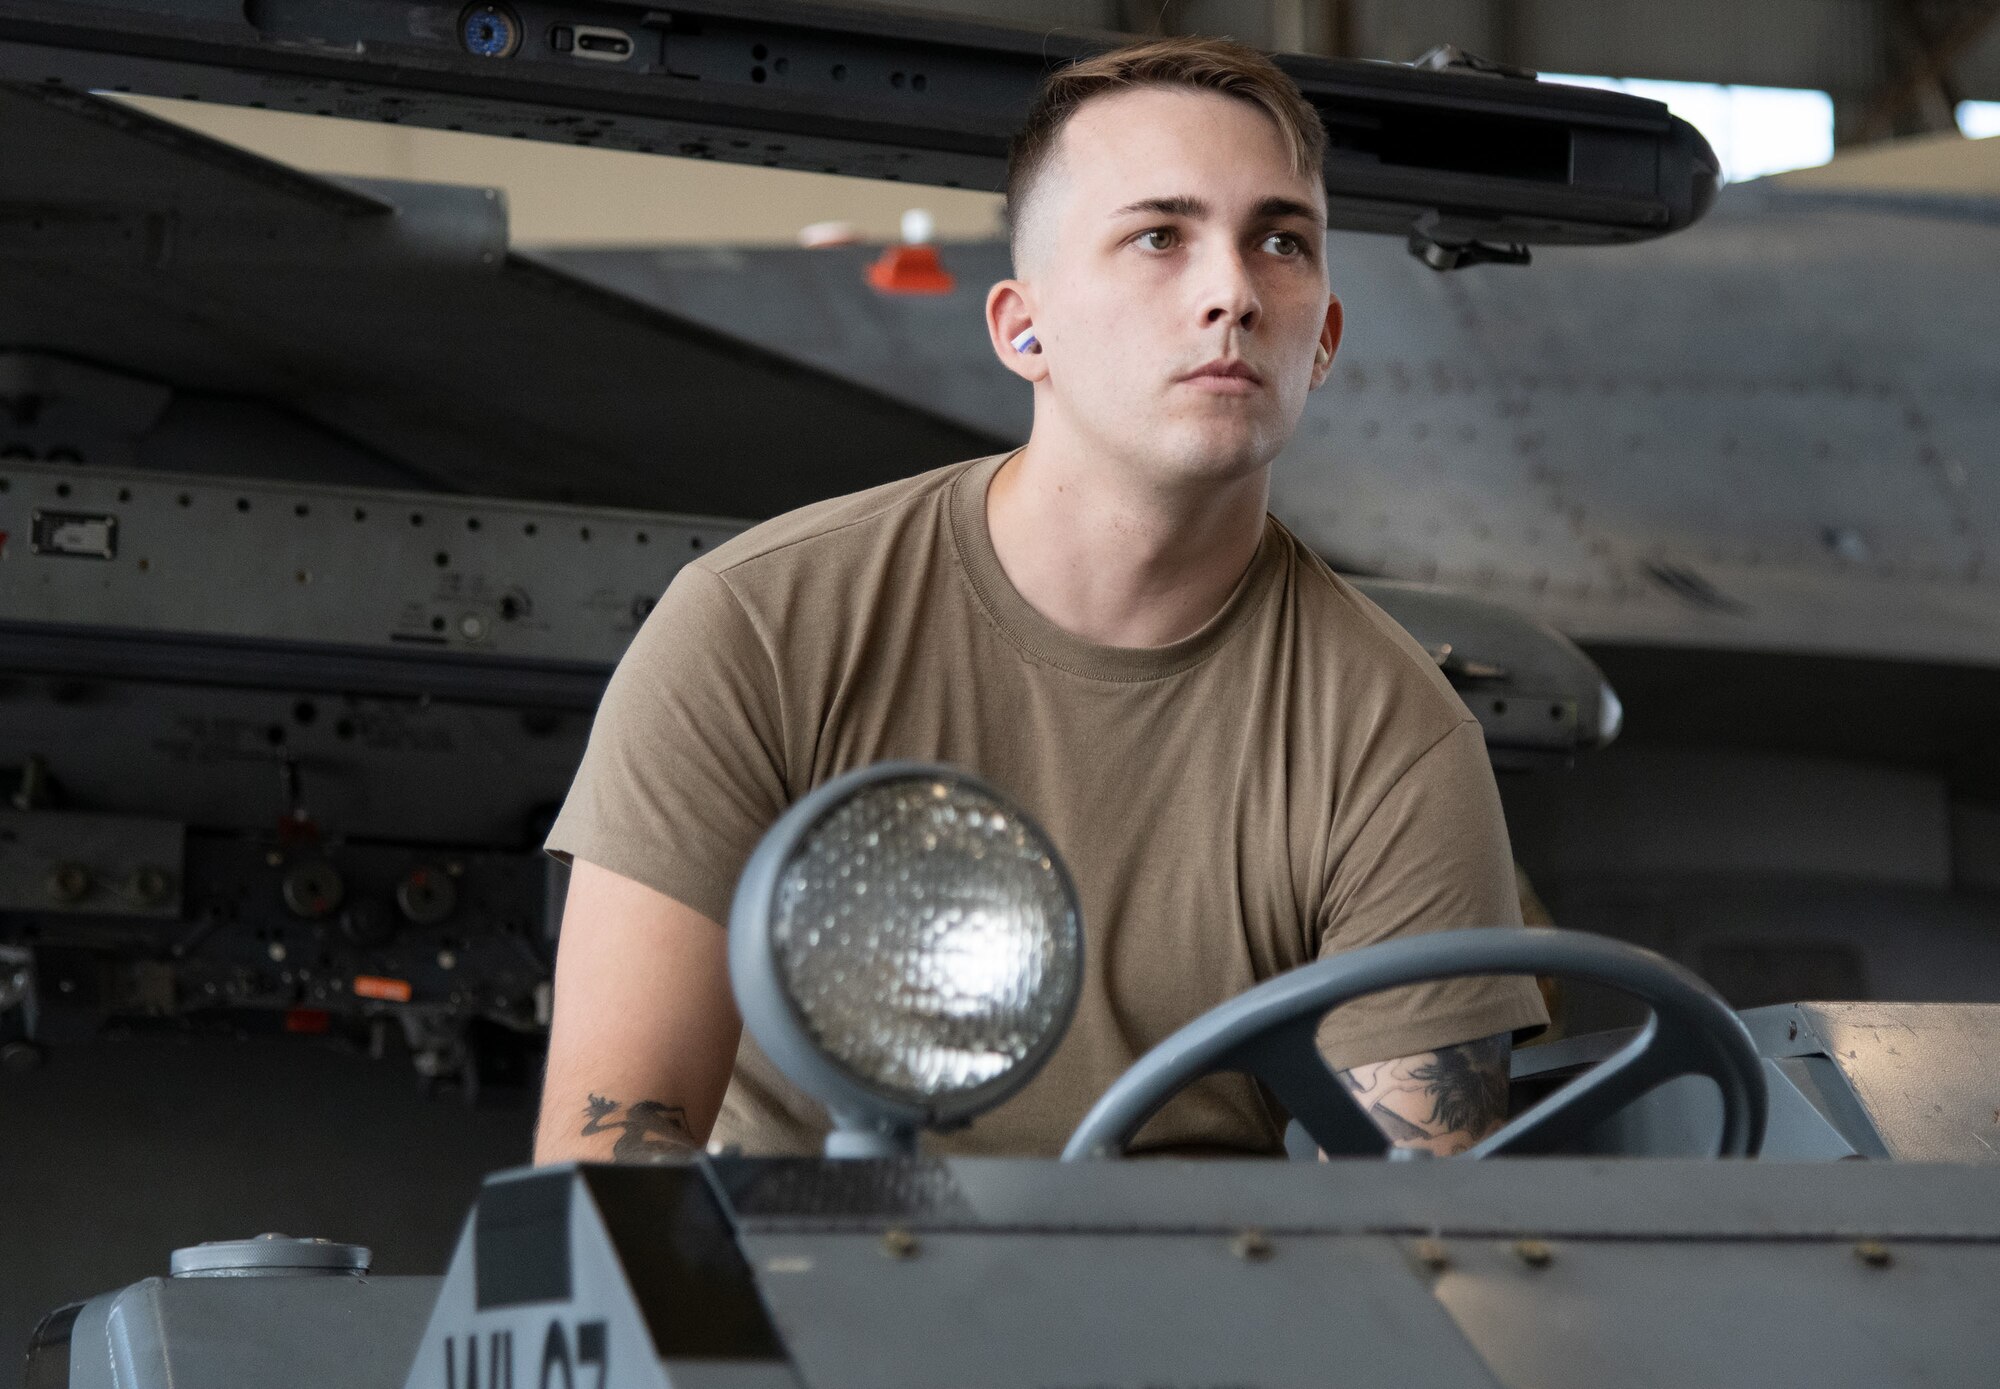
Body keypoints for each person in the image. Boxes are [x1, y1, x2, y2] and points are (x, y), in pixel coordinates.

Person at [534, 34, 1547, 1165]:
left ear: (1323, 342)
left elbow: (1436, 1236)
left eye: (1279, 242)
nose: (1232, 293)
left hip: (1192, 1327)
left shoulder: (1391, 738)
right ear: (1023, 327)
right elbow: (609, 1164)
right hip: (789, 1305)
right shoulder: (759, 628)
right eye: (1158, 236)